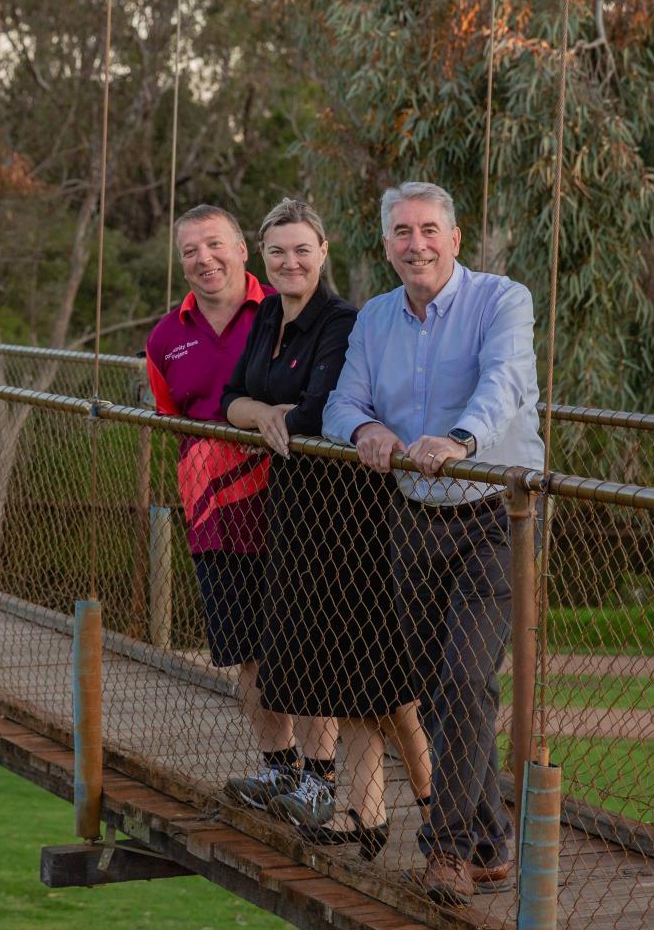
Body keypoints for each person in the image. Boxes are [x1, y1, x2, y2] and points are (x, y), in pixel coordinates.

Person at [323, 181, 544, 904]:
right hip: (413, 516)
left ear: (454, 238)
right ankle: (489, 840)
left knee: (464, 679)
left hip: (494, 515)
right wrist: (367, 432)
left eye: (427, 230)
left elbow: (506, 379)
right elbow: (343, 401)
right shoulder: (377, 318)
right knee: (439, 692)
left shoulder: (502, 300)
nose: (414, 244)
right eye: (400, 232)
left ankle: (446, 852)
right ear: (386, 243)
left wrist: (459, 440)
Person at [220, 199, 432, 860]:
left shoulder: (342, 320)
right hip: (295, 510)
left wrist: (277, 415)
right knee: (334, 669)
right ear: (264, 257)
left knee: (372, 674)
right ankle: (364, 815)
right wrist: (259, 412)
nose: (290, 262)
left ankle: (438, 812)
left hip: (349, 517)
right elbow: (233, 398)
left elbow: (315, 413)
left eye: (301, 250)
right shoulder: (263, 315)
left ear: (324, 251)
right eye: (278, 251)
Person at [144, 205, 299, 802]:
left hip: (290, 510)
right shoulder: (164, 338)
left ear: (243, 249)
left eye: (214, 245)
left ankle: (321, 779)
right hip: (213, 520)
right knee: (247, 654)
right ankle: (278, 769)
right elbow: (171, 416)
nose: (203, 260)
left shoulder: (286, 311)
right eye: (190, 251)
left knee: (301, 643)